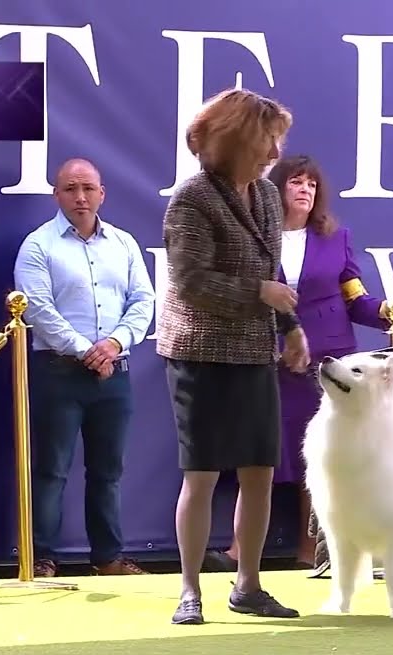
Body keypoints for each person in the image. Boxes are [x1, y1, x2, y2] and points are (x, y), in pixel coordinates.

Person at [157, 88, 311, 625]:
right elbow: (191, 281)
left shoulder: (267, 197)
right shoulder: (191, 198)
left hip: (252, 351)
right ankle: (189, 589)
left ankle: (248, 585)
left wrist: (290, 327)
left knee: (259, 472)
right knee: (200, 475)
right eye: (268, 140)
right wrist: (259, 295)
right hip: (198, 353)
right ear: (239, 140)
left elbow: (274, 273)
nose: (275, 152)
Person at [208, 154, 392, 570]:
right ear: (276, 189)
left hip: (326, 363)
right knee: (260, 455)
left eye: (311, 183)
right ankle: (240, 552)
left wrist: (386, 313)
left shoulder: (335, 237)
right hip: (266, 358)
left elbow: (354, 298)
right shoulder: (254, 236)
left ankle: (312, 551)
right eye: (296, 181)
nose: (305, 189)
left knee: (322, 455)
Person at [13, 158, 156, 577]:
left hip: (115, 373)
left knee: (108, 471)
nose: (80, 197)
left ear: (101, 194)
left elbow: (143, 301)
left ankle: (108, 558)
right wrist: (85, 351)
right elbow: (38, 308)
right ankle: (39, 559)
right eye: (71, 189)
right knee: (51, 469)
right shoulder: (39, 245)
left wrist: (113, 344)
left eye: (88, 189)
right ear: (57, 195)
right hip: (57, 372)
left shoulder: (124, 244)